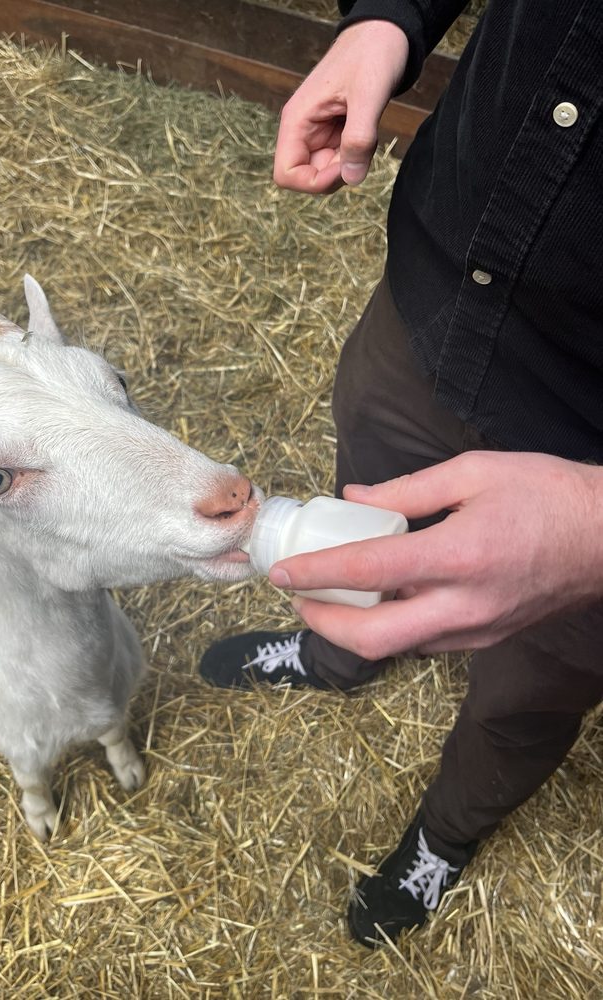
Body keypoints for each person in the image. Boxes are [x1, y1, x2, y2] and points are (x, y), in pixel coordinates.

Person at [199, 1, 603, 947]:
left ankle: (445, 835)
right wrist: (386, 21)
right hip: (438, 294)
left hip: (591, 437)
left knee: (532, 687)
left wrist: (595, 524)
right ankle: (342, 655)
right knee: (359, 512)